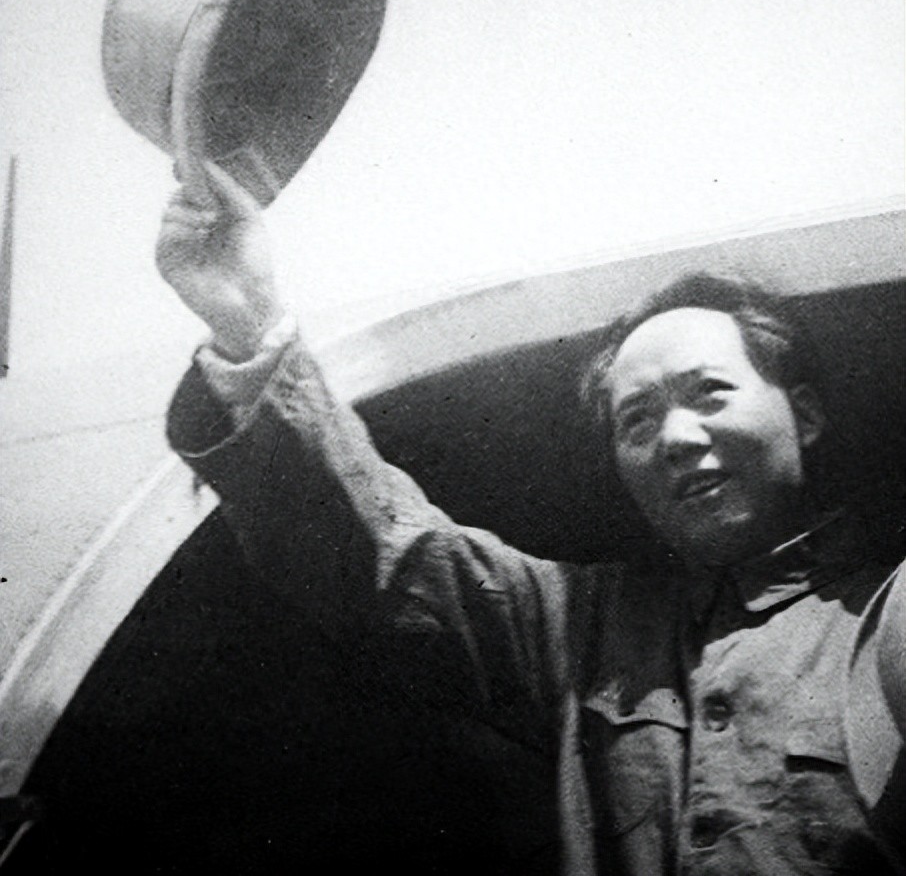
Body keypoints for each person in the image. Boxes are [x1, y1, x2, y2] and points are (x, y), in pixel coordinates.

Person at [159, 161, 904, 876]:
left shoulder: (887, 611)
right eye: (638, 420)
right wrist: (247, 320)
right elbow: (393, 551)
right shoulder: (583, 626)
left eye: (709, 392)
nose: (676, 437)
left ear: (805, 416)